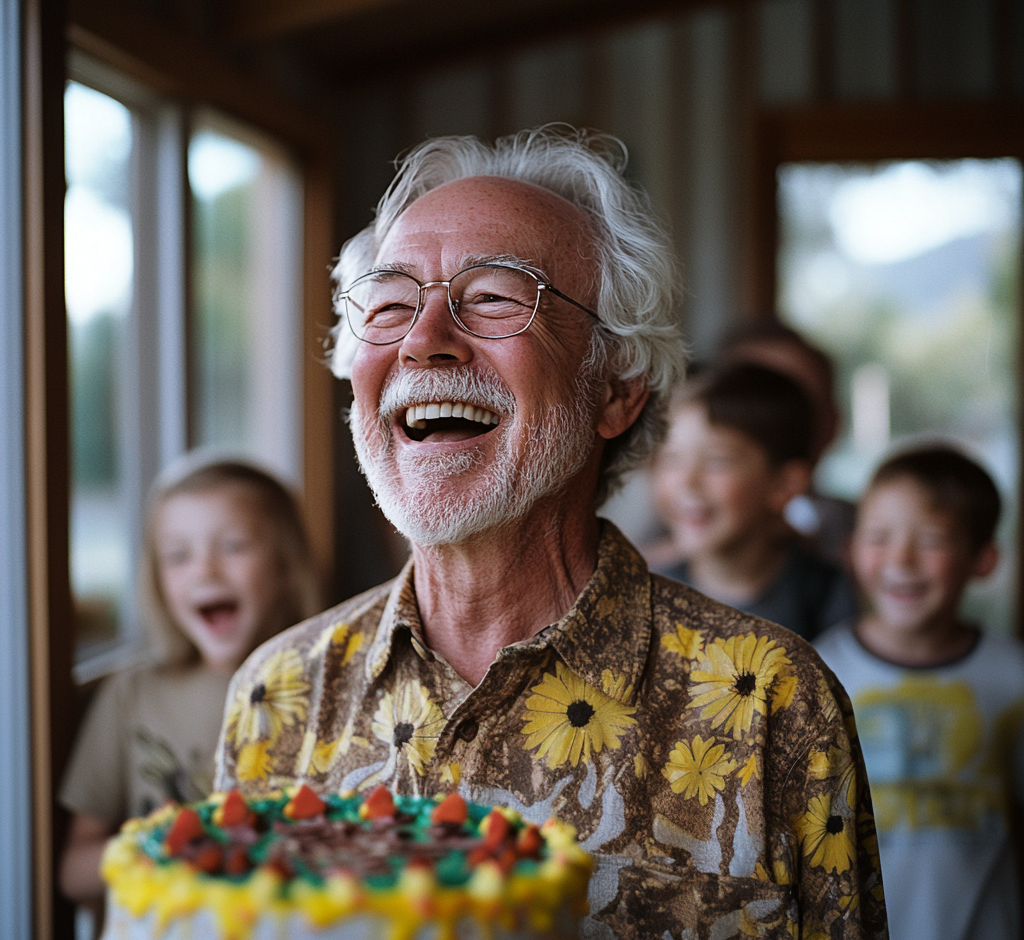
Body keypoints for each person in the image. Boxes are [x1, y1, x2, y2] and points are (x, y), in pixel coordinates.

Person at [215, 127, 887, 938]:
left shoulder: (776, 704)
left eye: (494, 297)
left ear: (615, 391)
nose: (424, 342)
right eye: (390, 306)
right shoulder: (273, 696)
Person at [58, 455, 321, 912]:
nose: (205, 570)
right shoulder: (132, 696)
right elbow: (73, 874)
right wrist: (159, 848)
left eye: (234, 545)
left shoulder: (331, 686)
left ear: (285, 564)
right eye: (178, 555)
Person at [815, 445, 1021, 940]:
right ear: (851, 548)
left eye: (931, 540)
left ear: (984, 559)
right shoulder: (818, 673)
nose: (901, 559)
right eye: (879, 537)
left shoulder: (1013, 678)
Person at [652, 362, 858, 640]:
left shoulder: (826, 597)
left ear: (783, 485)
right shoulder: (648, 597)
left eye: (716, 461)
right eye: (671, 459)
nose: (687, 482)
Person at [718, 315, 855, 566]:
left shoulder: (864, 536)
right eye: (751, 404)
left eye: (800, 406)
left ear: (832, 424)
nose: (775, 422)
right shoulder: (655, 550)